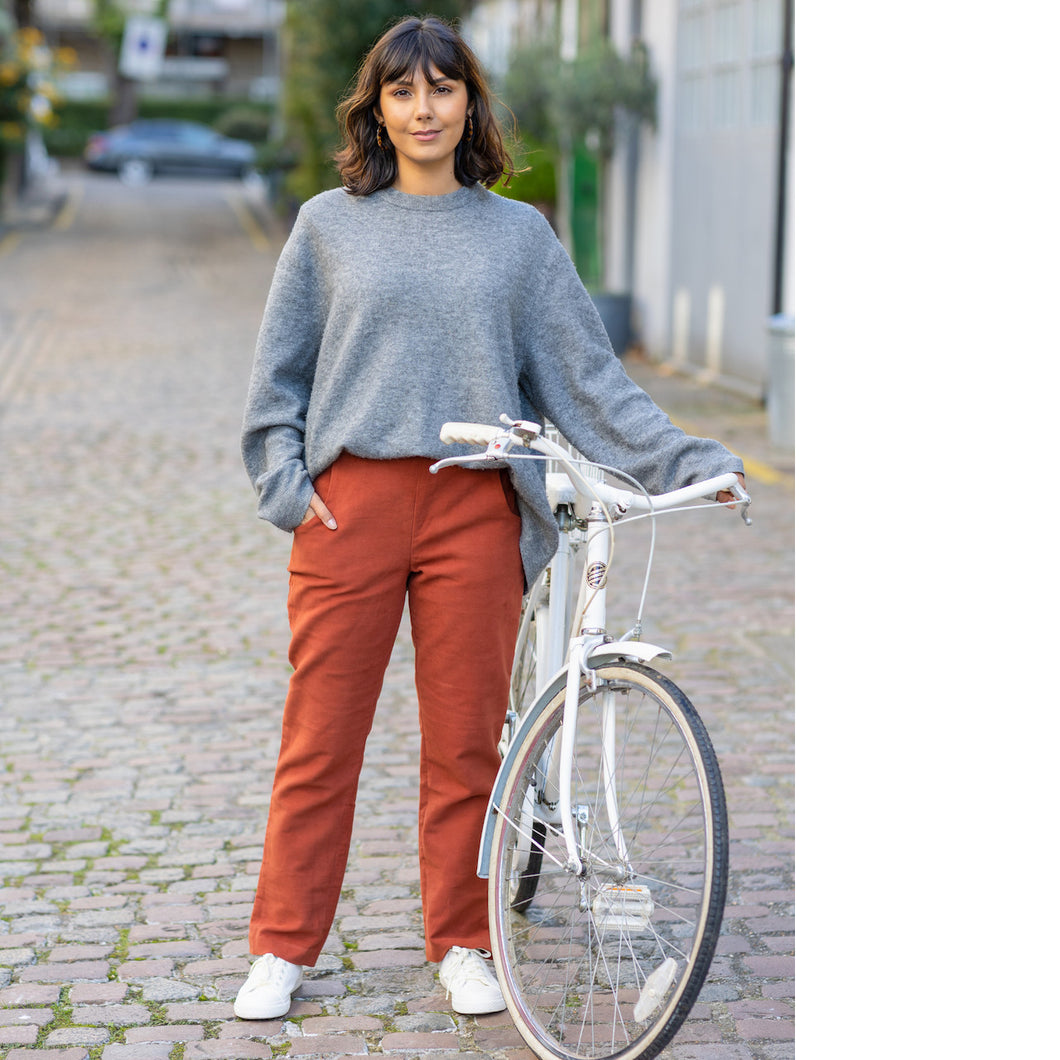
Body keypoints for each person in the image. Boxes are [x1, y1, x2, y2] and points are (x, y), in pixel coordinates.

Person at [234, 14, 746, 1022]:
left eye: (442, 88)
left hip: (474, 502)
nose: (423, 109)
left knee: (468, 744)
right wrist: (292, 491)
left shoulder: (518, 236)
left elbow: (589, 382)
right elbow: (276, 379)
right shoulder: (326, 226)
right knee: (319, 737)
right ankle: (283, 945)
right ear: (376, 109)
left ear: (469, 100)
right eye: (401, 92)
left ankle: (463, 938)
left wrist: (693, 460)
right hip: (355, 506)